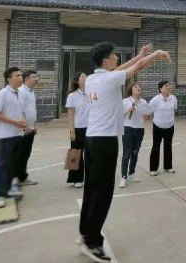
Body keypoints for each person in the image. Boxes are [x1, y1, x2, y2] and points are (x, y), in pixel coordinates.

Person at [78, 43, 170, 263]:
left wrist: (139, 55)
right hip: (105, 141)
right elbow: (137, 68)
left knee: (92, 189)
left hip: (91, 140)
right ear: (105, 60)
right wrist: (157, 54)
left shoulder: (92, 79)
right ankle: (92, 242)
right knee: (103, 192)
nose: (117, 58)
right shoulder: (109, 79)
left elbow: (122, 70)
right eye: (114, 55)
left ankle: (86, 233)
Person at [0, 67, 28, 208]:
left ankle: (6, 191)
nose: (20, 77)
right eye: (17, 75)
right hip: (5, 136)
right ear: (9, 79)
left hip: (18, 134)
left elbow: (21, 112)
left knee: (12, 166)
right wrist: (16, 123)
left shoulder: (19, 93)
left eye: (21, 75)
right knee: (4, 165)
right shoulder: (3, 93)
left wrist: (24, 123)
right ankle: (0, 195)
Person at [119, 82, 151, 188]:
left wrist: (147, 117)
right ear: (131, 89)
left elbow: (148, 116)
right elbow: (118, 115)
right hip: (128, 129)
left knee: (135, 152)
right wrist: (128, 110)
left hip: (139, 129)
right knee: (126, 153)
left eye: (139, 87)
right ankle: (124, 177)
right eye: (136, 87)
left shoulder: (143, 102)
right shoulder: (125, 101)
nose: (138, 88)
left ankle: (131, 173)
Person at [14, 70, 39, 187]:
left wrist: (34, 126)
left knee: (26, 154)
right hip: (24, 129)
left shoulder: (31, 92)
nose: (37, 79)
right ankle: (19, 177)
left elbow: (32, 110)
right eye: (34, 77)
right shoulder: (21, 91)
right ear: (27, 79)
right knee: (21, 154)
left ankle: (21, 177)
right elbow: (20, 110)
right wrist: (25, 126)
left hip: (30, 128)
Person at [148, 80, 178, 176]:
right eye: (166, 86)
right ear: (161, 89)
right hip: (158, 126)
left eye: (169, 85)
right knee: (156, 147)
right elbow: (148, 110)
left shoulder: (173, 98)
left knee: (168, 146)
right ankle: (153, 169)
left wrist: (169, 119)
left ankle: (168, 167)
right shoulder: (156, 99)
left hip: (170, 126)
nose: (168, 87)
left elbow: (174, 109)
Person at [66, 72, 90, 188]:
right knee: (75, 154)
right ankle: (75, 179)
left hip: (90, 128)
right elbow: (71, 115)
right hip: (78, 128)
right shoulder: (72, 96)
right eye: (83, 77)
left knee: (89, 155)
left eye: (86, 76)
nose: (85, 78)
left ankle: (85, 178)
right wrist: (72, 131)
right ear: (77, 81)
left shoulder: (90, 94)